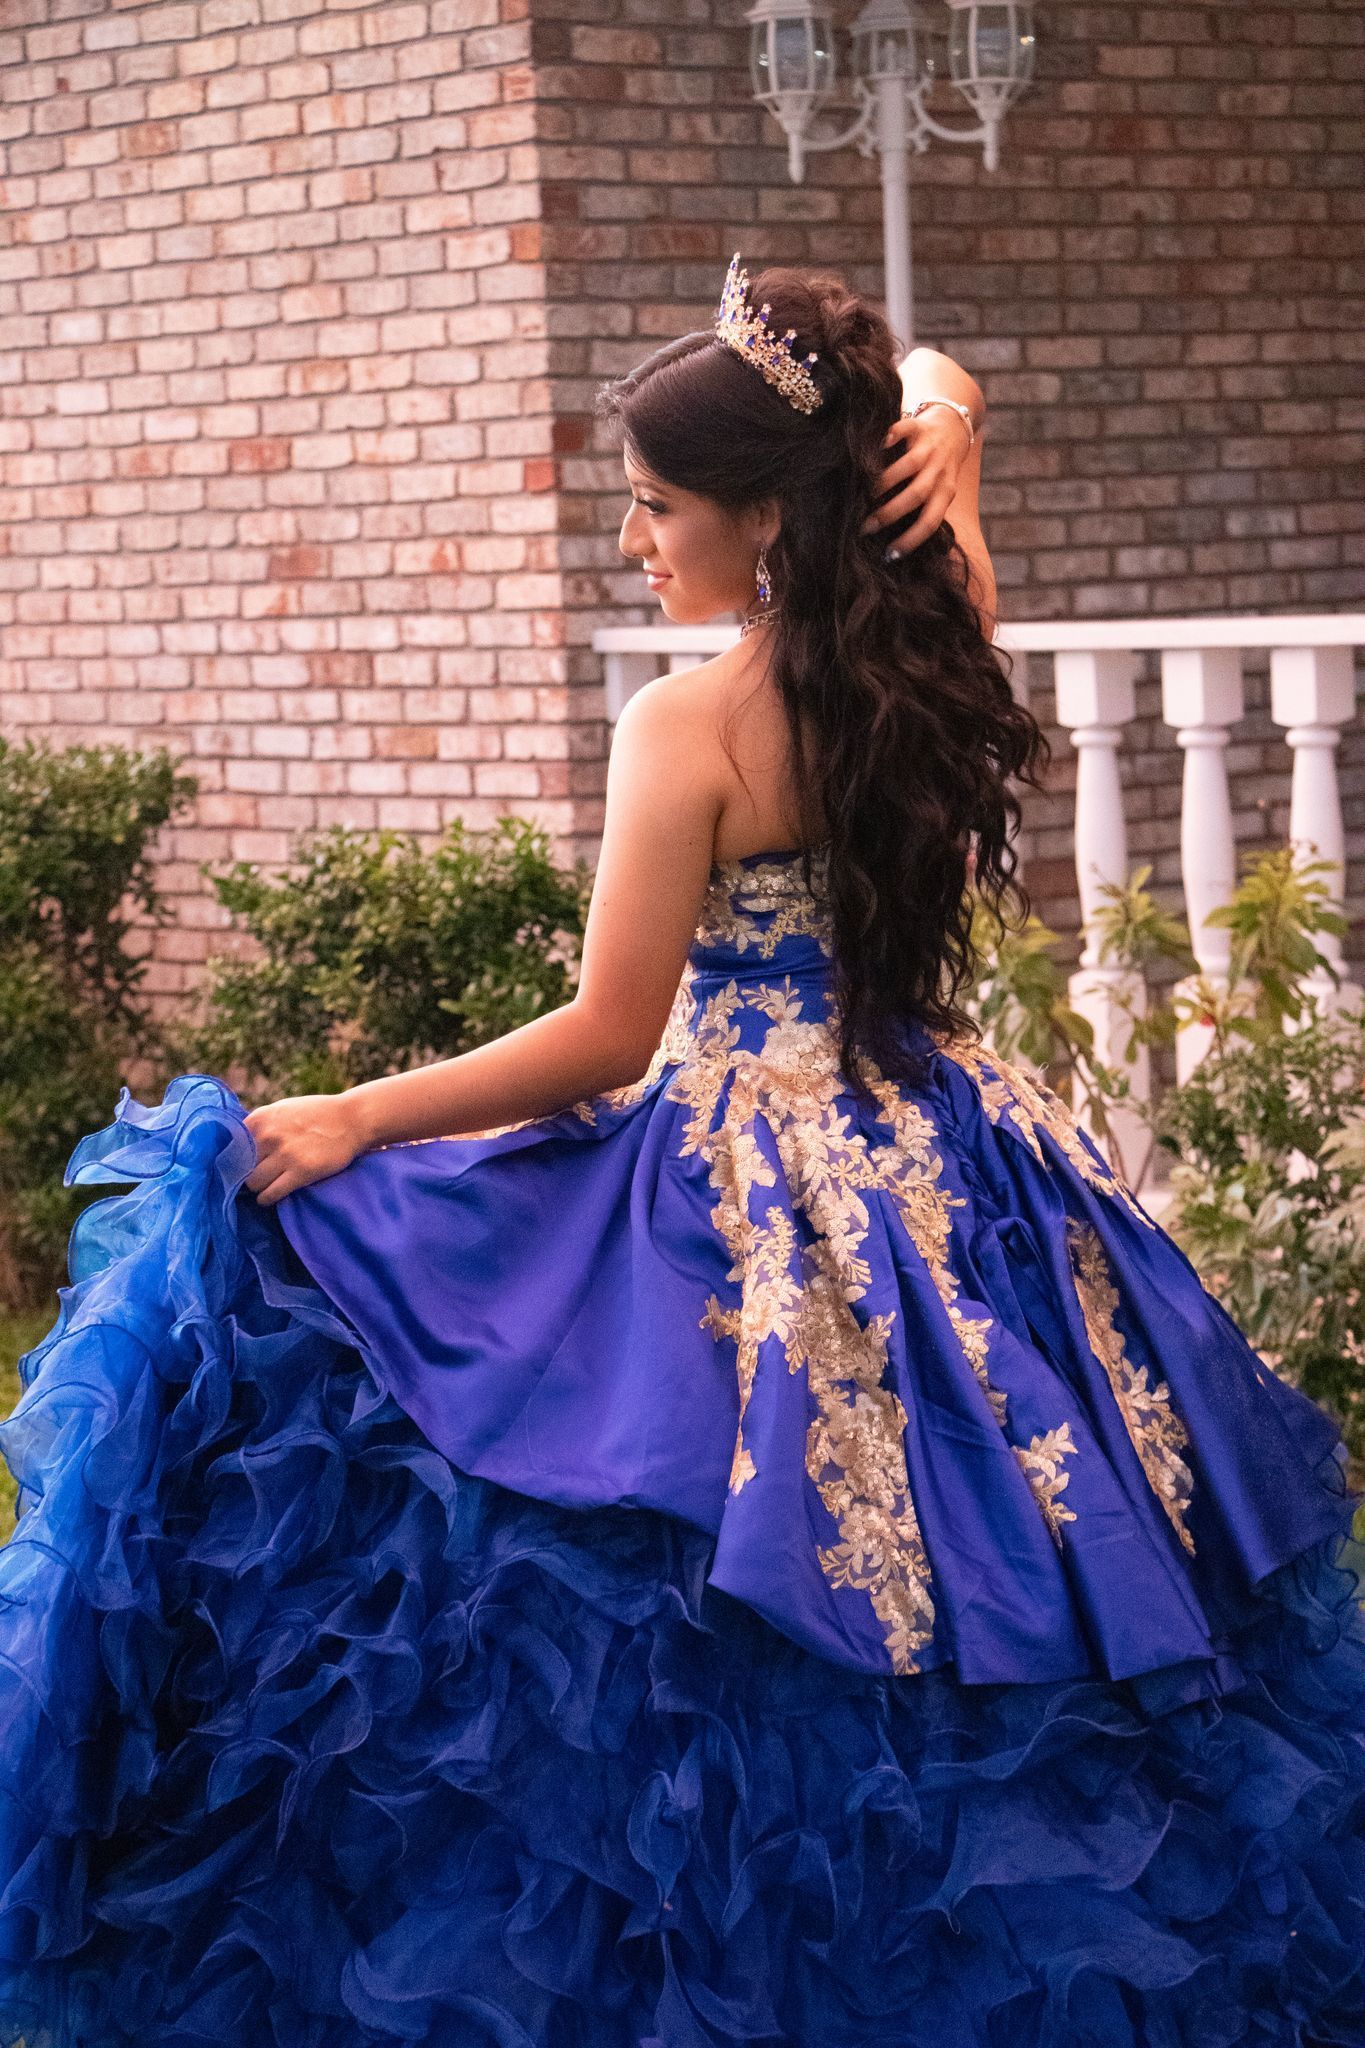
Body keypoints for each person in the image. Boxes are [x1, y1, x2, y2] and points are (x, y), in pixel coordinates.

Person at [2, 254, 1364, 2048]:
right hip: (956, 1164)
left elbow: (604, 1036)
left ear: (768, 518)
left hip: (749, 1172)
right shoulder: (944, 617)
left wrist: (355, 1113)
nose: (630, 544)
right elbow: (920, 373)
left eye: (652, 510)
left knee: (651, 1565)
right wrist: (945, 417)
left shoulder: (687, 727)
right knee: (1005, 1555)